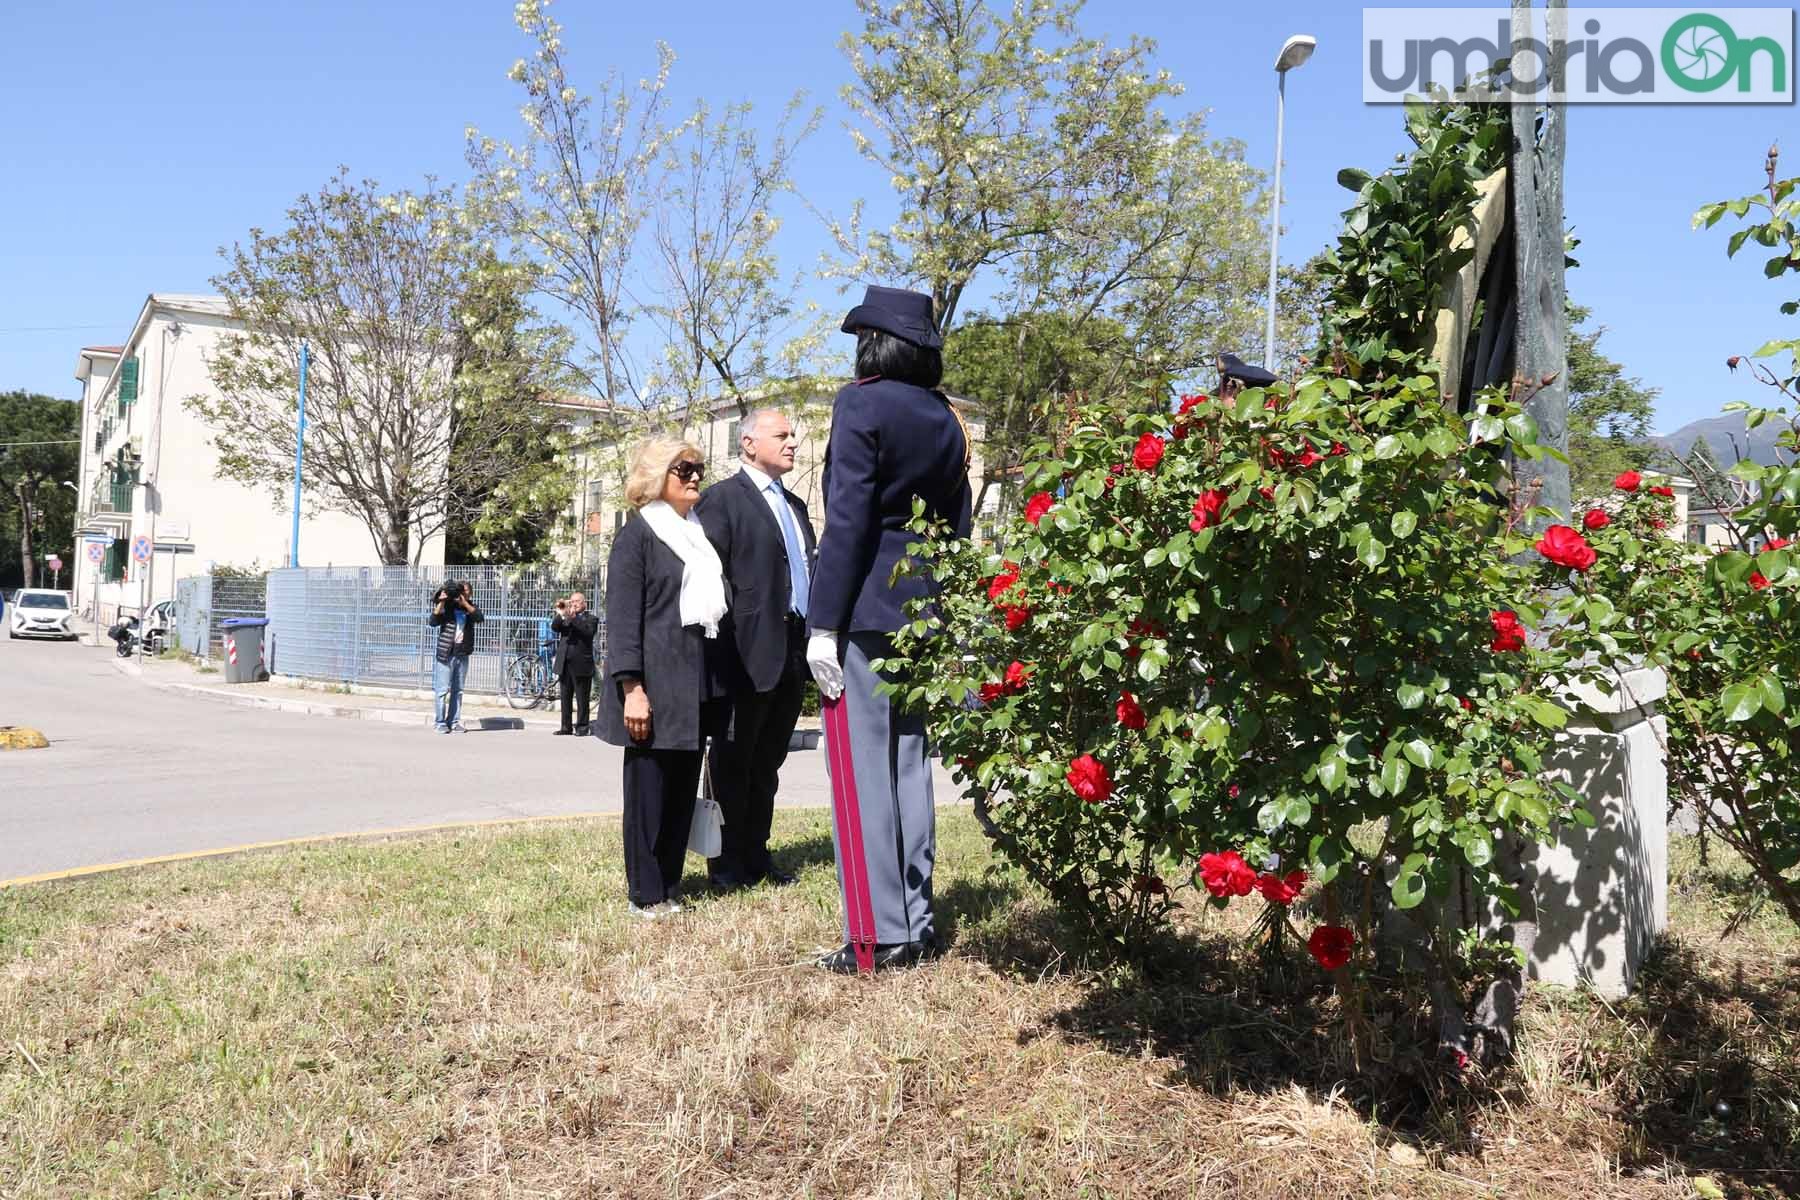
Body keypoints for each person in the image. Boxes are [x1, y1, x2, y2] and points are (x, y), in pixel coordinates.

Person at [806, 285, 972, 974]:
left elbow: (848, 520)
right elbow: (957, 525)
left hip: (866, 612)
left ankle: (876, 937)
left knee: (858, 772)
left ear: (873, 343)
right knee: (909, 768)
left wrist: (822, 623)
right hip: (926, 613)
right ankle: (917, 922)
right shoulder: (945, 417)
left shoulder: (861, 402)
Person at [595, 436, 729, 918]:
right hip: (652, 684)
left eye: (698, 468)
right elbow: (623, 618)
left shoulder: (697, 533)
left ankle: (670, 883)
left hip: (692, 686)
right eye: (683, 468)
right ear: (656, 476)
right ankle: (645, 891)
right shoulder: (639, 535)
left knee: (680, 788)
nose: (695, 476)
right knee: (649, 791)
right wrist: (632, 688)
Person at [695, 408, 814, 891]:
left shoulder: (796, 506)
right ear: (748, 444)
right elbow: (709, 583)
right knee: (732, 764)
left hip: (791, 653)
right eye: (781, 436)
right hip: (743, 657)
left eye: (793, 436)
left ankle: (756, 855)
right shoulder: (722, 502)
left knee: (767, 763)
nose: (792, 443)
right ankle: (725, 866)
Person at [429, 579, 483, 733]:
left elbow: (479, 618)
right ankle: (440, 723)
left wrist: (465, 603)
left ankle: (453, 722)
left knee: (458, 690)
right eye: (460, 591)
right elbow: (433, 621)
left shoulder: (471, 608)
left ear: (469, 593)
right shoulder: (449, 606)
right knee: (442, 691)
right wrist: (441, 601)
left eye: (465, 591)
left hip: (462, 654)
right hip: (446, 654)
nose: (461, 594)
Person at [550, 591, 598, 736]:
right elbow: (555, 627)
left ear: (584, 603)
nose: (573, 604)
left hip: (581, 664)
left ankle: (582, 727)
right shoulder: (566, 618)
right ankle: (566, 727)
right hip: (564, 663)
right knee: (565, 697)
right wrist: (561, 613)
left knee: (582, 698)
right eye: (571, 601)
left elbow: (587, 633)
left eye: (577, 601)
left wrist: (573, 617)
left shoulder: (591, 619)